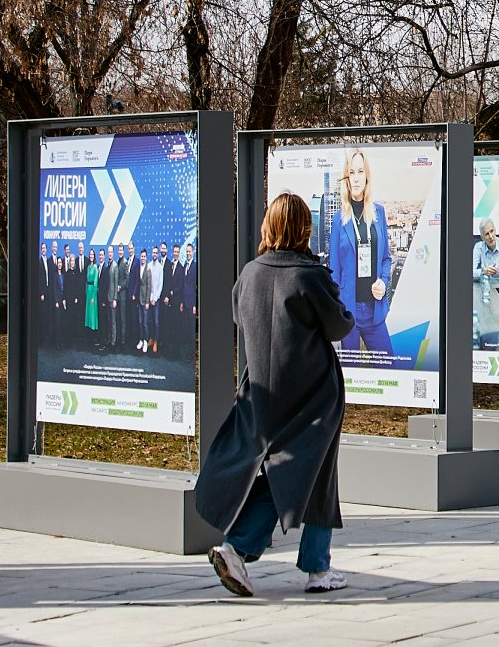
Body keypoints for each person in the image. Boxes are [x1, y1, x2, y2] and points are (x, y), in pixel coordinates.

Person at [197, 193, 353, 596]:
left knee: (276, 472)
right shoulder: (309, 275)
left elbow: (238, 315)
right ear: (304, 227)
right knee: (318, 475)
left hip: (262, 394)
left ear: (268, 225)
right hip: (312, 397)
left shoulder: (249, 273)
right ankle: (314, 568)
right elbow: (339, 327)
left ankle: (241, 551)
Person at [327, 149, 394, 358]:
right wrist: (336, 311)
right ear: (346, 178)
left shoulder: (379, 213)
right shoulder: (339, 220)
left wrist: (383, 281)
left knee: (389, 368)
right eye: (351, 173)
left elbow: (386, 258)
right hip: (349, 310)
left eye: (360, 172)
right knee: (352, 376)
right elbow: (334, 272)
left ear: (367, 176)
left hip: (375, 311)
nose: (356, 178)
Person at [143, 243, 166, 354]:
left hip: (156, 300)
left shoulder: (161, 267)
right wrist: (150, 297)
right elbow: (148, 284)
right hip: (149, 297)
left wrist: (155, 298)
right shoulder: (148, 266)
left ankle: (156, 341)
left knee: (156, 322)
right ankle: (151, 339)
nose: (155, 254)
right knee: (150, 321)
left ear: (158, 254)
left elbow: (160, 285)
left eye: (157, 253)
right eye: (154, 253)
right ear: (151, 254)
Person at [84, 248, 101, 349]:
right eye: (90, 254)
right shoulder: (88, 267)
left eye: (92, 255)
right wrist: (86, 292)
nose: (91, 256)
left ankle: (95, 337)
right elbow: (87, 281)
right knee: (88, 315)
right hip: (88, 292)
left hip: (93, 294)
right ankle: (89, 337)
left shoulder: (95, 267)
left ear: (94, 256)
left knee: (93, 314)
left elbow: (95, 282)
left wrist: (93, 296)